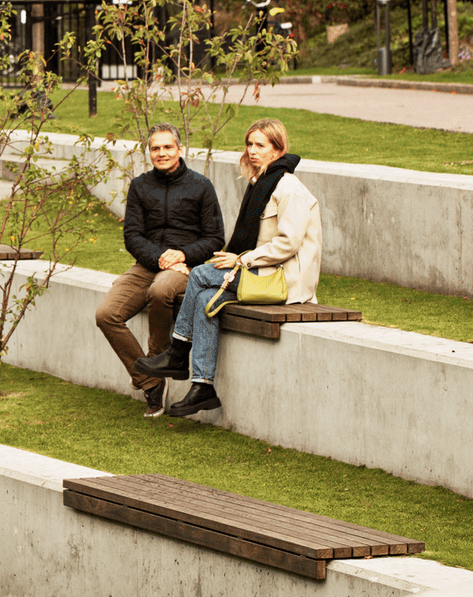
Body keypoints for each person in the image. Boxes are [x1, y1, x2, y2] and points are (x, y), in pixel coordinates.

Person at [137, 117, 322, 418]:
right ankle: (203, 387)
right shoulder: (262, 183)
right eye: (249, 144)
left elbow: (288, 244)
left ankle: (178, 352)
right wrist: (234, 258)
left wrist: (240, 260)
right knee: (202, 299)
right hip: (260, 272)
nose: (252, 151)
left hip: (283, 281)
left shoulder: (288, 189)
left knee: (199, 273)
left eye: (260, 145)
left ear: (277, 149)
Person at [94, 122, 225, 414]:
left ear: (180, 149)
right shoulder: (140, 186)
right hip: (147, 263)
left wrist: (182, 255)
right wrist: (160, 257)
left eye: (168, 147)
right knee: (106, 315)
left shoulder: (201, 186)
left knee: (161, 289)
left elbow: (215, 238)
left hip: (184, 268)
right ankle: (151, 381)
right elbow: (132, 236)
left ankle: (159, 358)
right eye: (155, 148)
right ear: (149, 152)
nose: (162, 153)